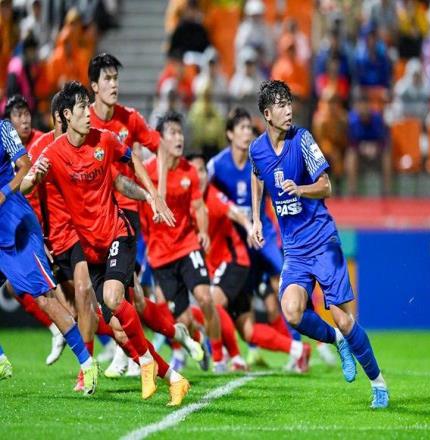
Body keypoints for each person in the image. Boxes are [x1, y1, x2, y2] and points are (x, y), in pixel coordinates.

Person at [21, 81, 190, 406]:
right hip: (91, 249)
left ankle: (145, 361)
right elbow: (27, 186)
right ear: (66, 115)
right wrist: (35, 176)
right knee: (118, 327)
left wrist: (153, 196)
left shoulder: (105, 140)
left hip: (117, 233)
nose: (89, 114)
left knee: (113, 298)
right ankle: (174, 378)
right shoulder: (52, 153)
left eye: (88, 107)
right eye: (82, 108)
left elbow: (133, 160)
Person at [249, 80, 388, 408]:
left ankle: (378, 383)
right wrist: (255, 218)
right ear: (267, 114)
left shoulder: (303, 139)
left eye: (289, 103)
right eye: (281, 105)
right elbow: (257, 176)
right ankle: (337, 341)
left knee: (343, 318)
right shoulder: (258, 149)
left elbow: (326, 186)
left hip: (323, 241)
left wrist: (300, 189)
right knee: (292, 311)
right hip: (295, 249)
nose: (289, 110)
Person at [87, 53, 202, 377]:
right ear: (94, 86)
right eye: (107, 79)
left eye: (116, 79)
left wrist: (157, 192)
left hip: (125, 213)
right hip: (93, 218)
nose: (114, 85)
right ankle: (176, 334)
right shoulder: (85, 122)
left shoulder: (130, 119)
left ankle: (127, 355)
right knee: (131, 296)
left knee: (117, 294)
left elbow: (161, 146)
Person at [0, 116, 98, 395]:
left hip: (17, 225)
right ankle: (1, 361)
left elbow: (25, 165)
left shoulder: (3, 129)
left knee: (44, 297)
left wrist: (4, 193)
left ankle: (87, 362)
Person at [190, 154, 312, 373]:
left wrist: (249, 227)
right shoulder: (189, 200)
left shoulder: (213, 196)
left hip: (234, 263)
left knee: (211, 303)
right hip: (222, 268)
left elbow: (235, 212)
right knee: (248, 331)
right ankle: (298, 350)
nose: (198, 176)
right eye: (193, 171)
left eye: (201, 171)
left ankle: (221, 359)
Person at [207, 107, 294, 367]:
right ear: (229, 134)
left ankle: (301, 343)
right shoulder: (216, 166)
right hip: (235, 245)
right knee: (239, 300)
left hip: (262, 236)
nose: (247, 133)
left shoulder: (261, 162)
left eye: (249, 129)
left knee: (284, 284)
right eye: (242, 128)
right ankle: (234, 350)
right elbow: (202, 195)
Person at [140, 110, 224, 370]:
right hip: (161, 255)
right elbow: (143, 214)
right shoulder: (147, 172)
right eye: (173, 133)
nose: (179, 138)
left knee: (206, 298)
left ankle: (219, 357)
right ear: (160, 140)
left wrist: (203, 232)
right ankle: (198, 341)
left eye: (180, 133)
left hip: (187, 245)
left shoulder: (190, 171)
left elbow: (198, 207)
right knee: (183, 320)